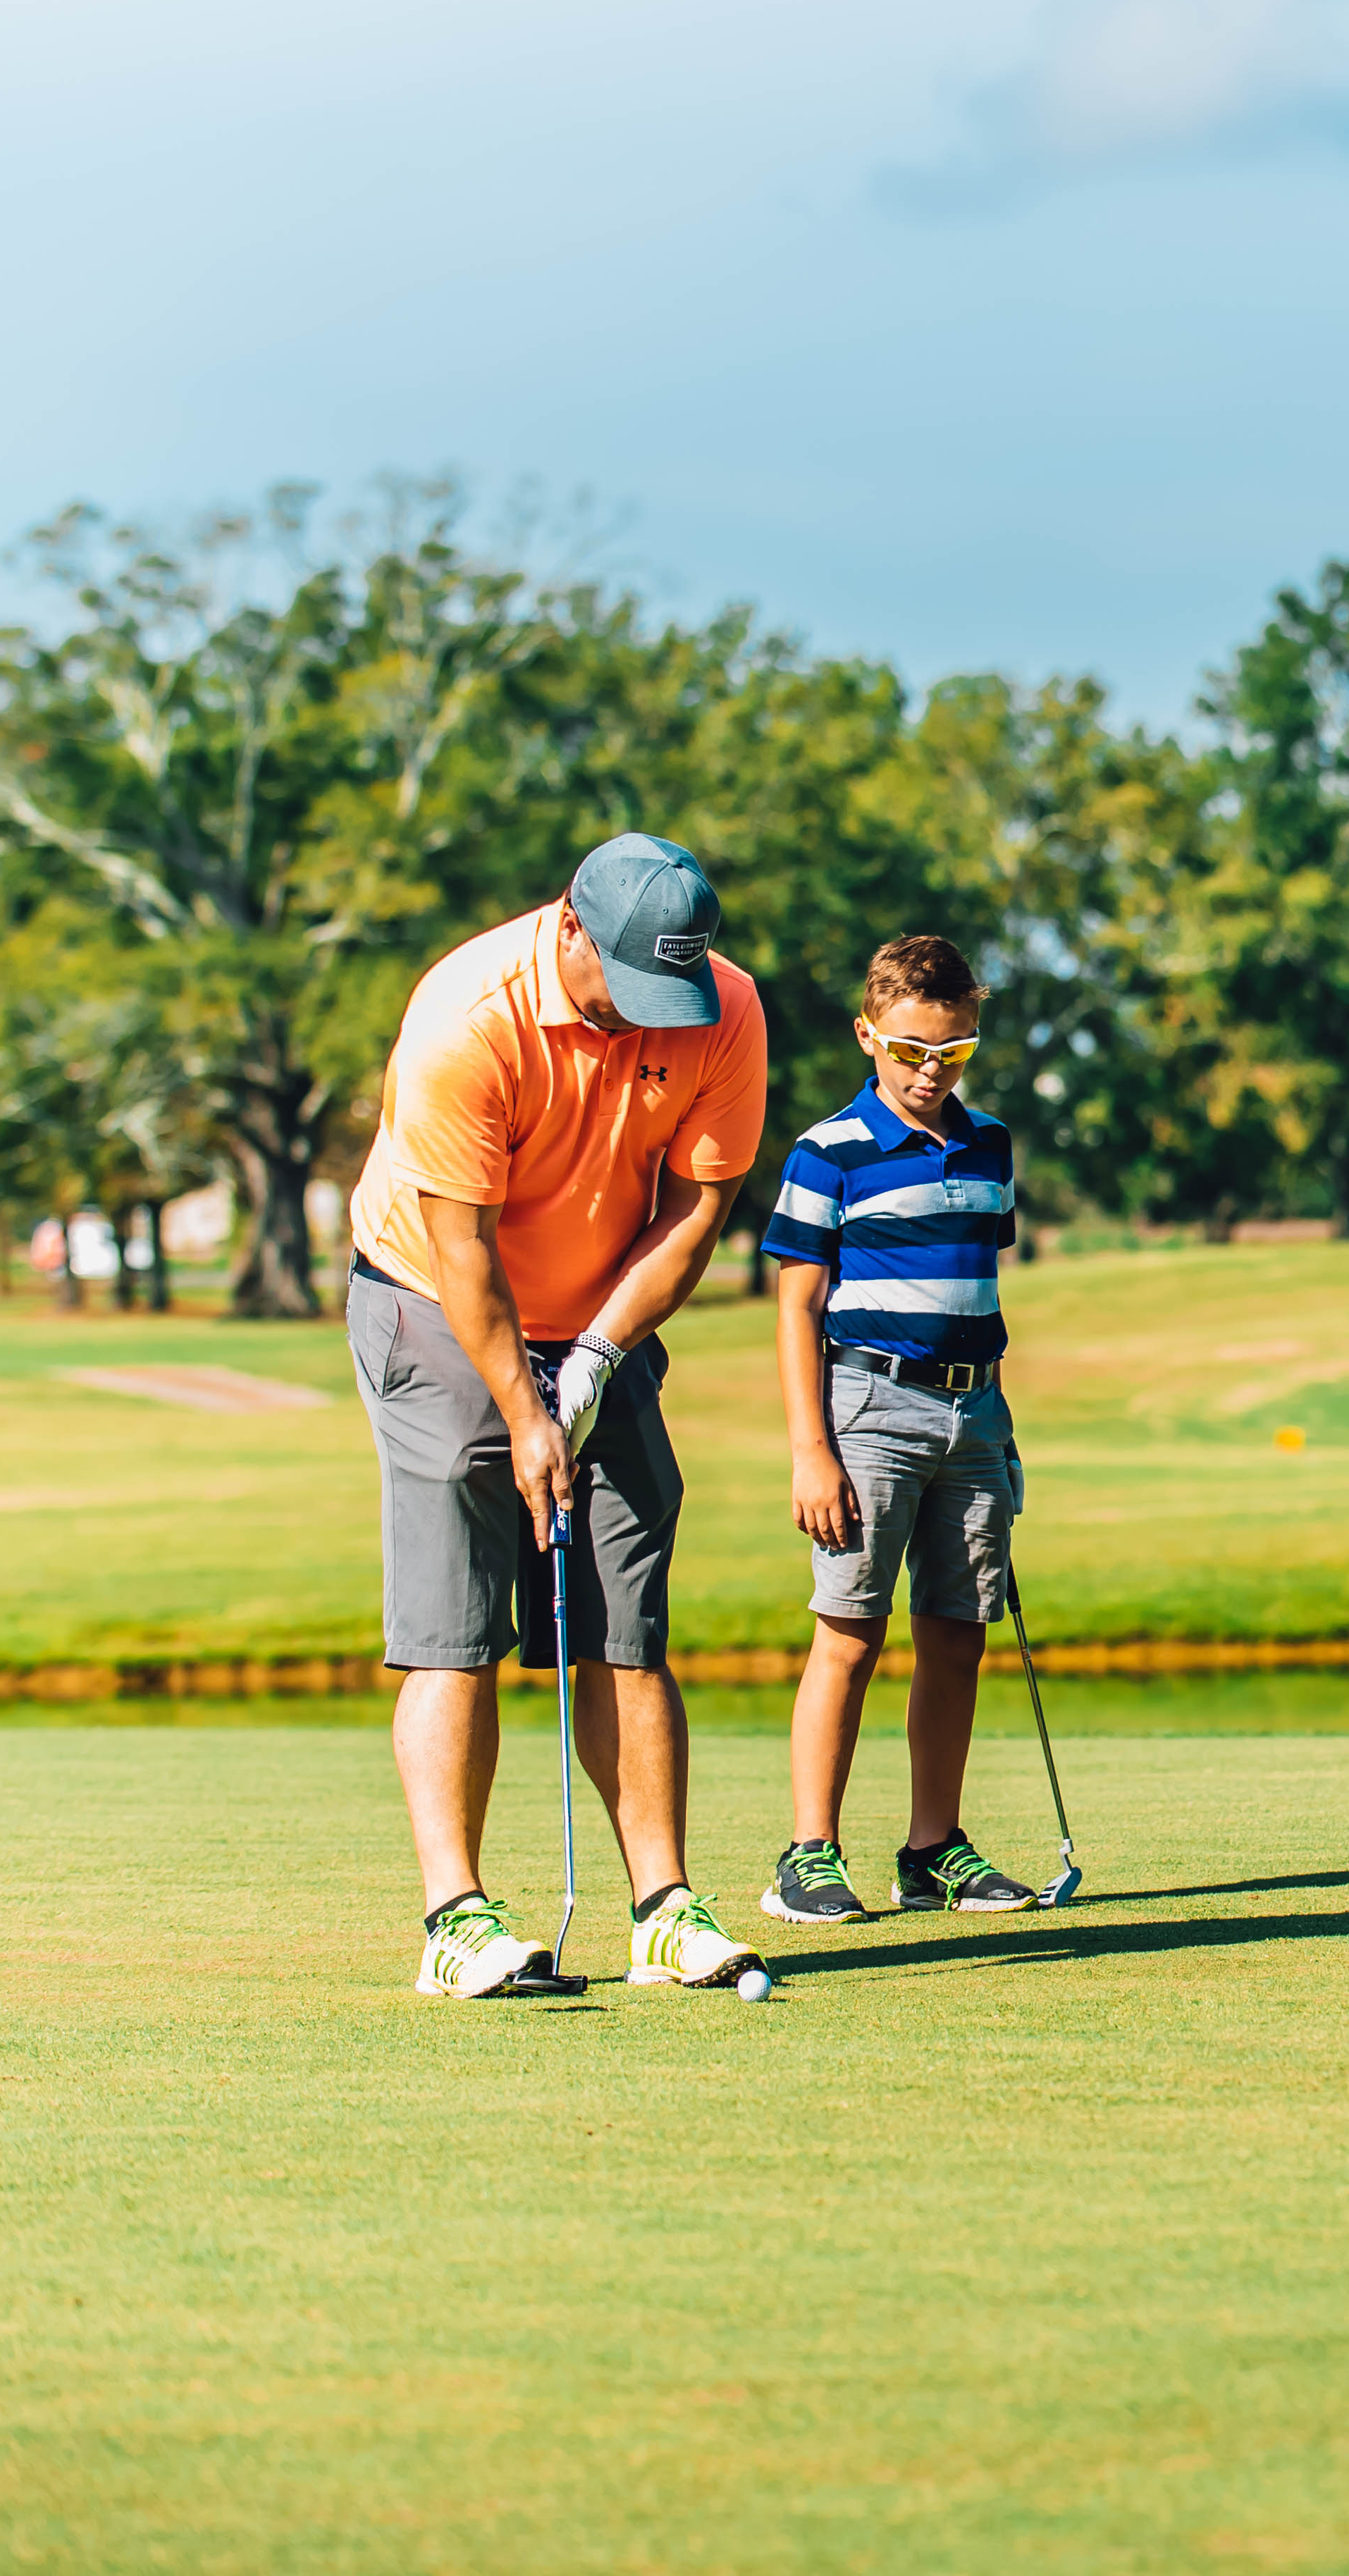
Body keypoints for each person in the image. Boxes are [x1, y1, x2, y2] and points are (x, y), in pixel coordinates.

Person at [343, 833, 772, 2000]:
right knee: (459, 1612)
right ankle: (456, 1918)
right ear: (571, 927)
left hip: (599, 1309)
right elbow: (462, 1253)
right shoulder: (466, 1018)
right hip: (435, 1301)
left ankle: (665, 1907)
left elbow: (692, 1214)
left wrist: (592, 1359)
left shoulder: (723, 1008)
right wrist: (527, 1412)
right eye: (629, 990)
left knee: (624, 1606)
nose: (650, 1021)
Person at [756, 933, 1035, 1924]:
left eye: (952, 1051)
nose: (929, 1071)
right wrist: (809, 1450)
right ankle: (807, 1853)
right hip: (868, 1407)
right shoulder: (825, 1153)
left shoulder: (991, 1143)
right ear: (869, 1033)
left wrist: (995, 1425)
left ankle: (931, 1850)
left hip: (974, 1410)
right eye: (912, 1048)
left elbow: (974, 1278)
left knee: (958, 1631)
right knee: (851, 1629)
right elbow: (795, 1307)